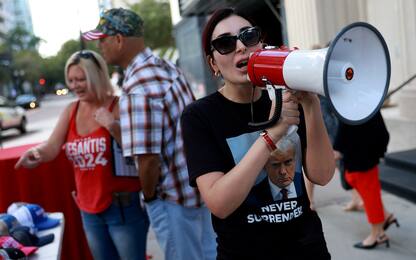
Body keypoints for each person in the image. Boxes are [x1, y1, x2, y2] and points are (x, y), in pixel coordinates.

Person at [180, 7, 336, 259]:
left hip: (308, 250)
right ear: (213, 63)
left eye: (248, 36)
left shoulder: (287, 96)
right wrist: (272, 134)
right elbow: (219, 204)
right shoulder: (199, 116)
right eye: (225, 43)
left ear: (261, 45)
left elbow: (323, 174)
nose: (240, 46)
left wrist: (311, 104)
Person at [82, 8, 216, 260]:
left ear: (119, 39)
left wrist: (151, 198)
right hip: (196, 190)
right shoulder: (163, 67)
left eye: (102, 39)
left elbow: (148, 160)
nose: (100, 46)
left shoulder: (137, 86)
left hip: (172, 199)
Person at [14, 50, 149, 260]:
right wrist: (36, 153)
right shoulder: (71, 110)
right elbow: (52, 146)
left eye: (81, 79)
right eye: (71, 80)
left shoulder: (118, 106)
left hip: (122, 208)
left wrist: (112, 126)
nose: (75, 85)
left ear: (97, 76)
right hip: (88, 209)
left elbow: (139, 150)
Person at [334, 110, 399, 249]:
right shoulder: (363, 103)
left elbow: (382, 134)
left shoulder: (360, 104)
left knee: (370, 197)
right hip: (359, 156)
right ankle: (386, 216)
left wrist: (337, 149)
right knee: (355, 182)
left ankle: (378, 234)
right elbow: (383, 135)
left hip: (363, 158)